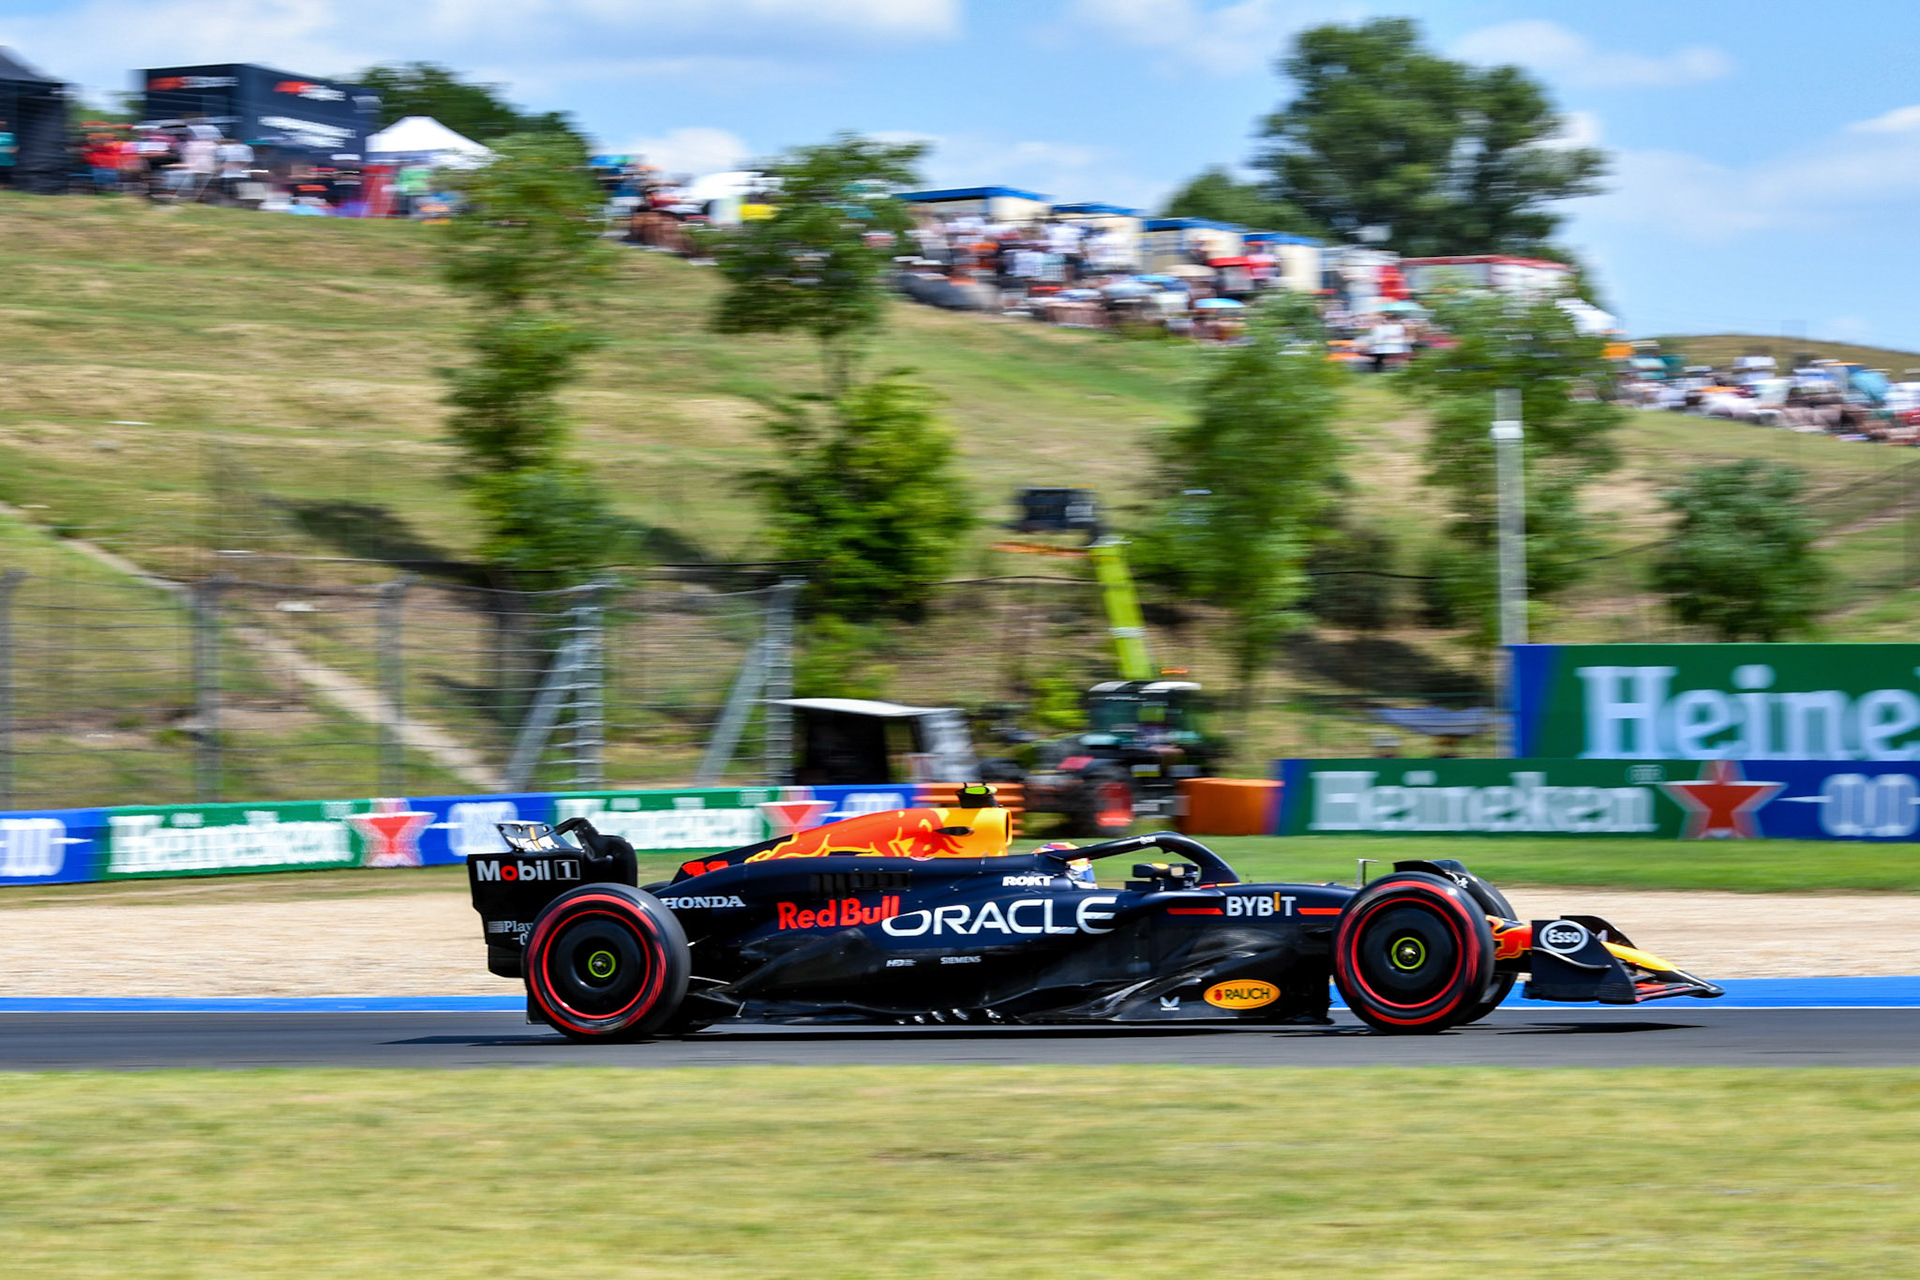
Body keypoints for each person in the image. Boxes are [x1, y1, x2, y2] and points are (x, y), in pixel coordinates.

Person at [0, 121, 15, 188]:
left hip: (7, 162)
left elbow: (15, 147)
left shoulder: (9, 135)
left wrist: (11, 152)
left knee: (7, 178)